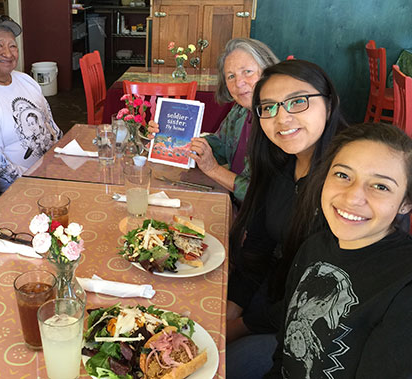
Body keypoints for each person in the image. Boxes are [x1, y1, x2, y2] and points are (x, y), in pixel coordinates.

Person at [226, 59, 348, 377]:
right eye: (268, 107)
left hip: (320, 325)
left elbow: (323, 294)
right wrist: (231, 306)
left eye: (297, 101)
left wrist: (239, 326)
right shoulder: (281, 164)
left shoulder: (346, 184)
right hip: (273, 294)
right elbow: (258, 248)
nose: (282, 118)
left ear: (329, 102)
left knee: (232, 363)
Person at [266, 122, 412, 377]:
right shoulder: (315, 246)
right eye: (343, 175)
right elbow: (283, 348)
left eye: (380, 186)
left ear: (405, 203)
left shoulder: (403, 289)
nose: (353, 197)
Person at [148, 38, 279, 201]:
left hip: (258, 220)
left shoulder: (280, 123)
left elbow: (263, 195)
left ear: (267, 70)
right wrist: (172, 137)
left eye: (247, 72)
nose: (239, 82)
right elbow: (219, 146)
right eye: (231, 76)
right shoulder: (240, 111)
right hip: (232, 205)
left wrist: (213, 169)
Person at [0, 15, 62, 192]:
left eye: (12, 45)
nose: (8, 53)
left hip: (53, 175)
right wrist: (40, 182)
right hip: (19, 191)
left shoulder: (26, 80)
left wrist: (63, 164)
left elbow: (52, 128)